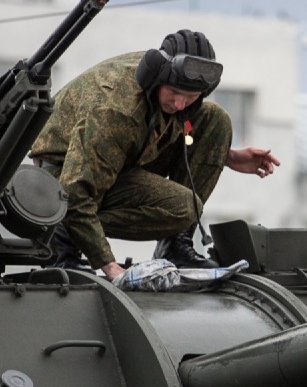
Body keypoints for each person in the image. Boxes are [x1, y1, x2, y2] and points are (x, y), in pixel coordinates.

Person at [30, 29, 280, 281]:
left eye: (191, 96)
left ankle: (175, 246)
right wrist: (109, 266)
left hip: (118, 159)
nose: (180, 104)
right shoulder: (116, 110)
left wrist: (228, 156)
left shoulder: (163, 89)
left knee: (215, 119)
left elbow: (155, 130)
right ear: (156, 77)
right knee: (183, 208)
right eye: (174, 92)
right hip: (60, 178)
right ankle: (64, 230)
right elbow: (75, 191)